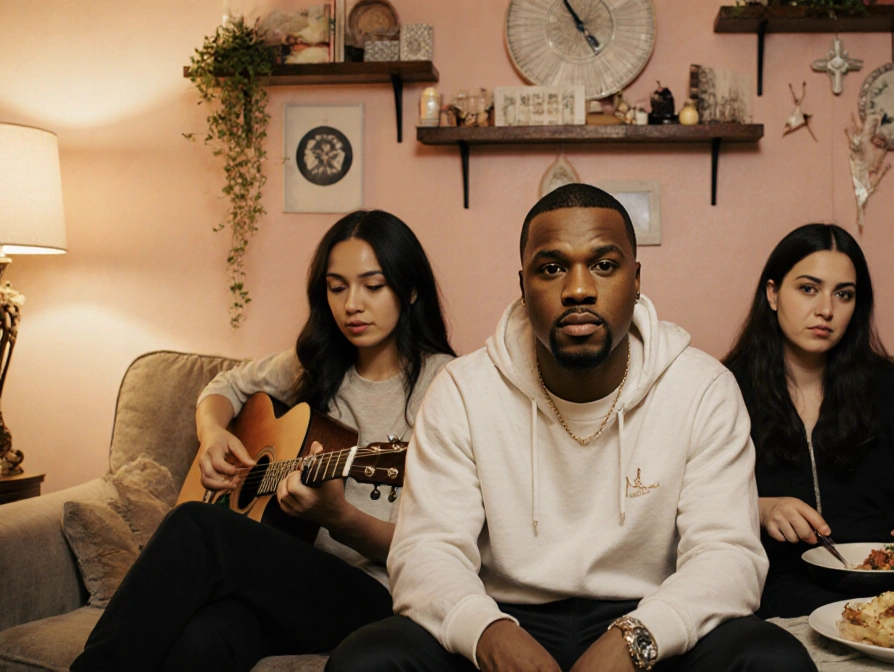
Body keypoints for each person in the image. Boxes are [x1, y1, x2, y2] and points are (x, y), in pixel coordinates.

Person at [327, 184, 814, 672]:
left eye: (603, 265)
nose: (578, 289)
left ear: (637, 278)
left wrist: (637, 639)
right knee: (366, 661)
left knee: (772, 659)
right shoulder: (462, 391)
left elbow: (727, 556)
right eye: (552, 267)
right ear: (522, 285)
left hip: (650, 616)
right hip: (502, 615)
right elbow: (426, 552)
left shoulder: (702, 387)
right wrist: (489, 636)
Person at [72, 210, 456, 671]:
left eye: (373, 286)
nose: (352, 304)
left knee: (197, 525)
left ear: (410, 289)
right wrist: (213, 434)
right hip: (281, 581)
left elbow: (439, 546)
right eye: (337, 287)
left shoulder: (447, 386)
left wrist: (339, 517)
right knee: (200, 640)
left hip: (376, 596)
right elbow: (224, 387)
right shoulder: (315, 362)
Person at [722, 223, 894, 618]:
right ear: (772, 293)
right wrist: (761, 508)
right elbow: (688, 507)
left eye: (844, 294)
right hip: (784, 580)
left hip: (891, 578)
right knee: (828, 617)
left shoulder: (888, 386)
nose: (826, 310)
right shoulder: (724, 389)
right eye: (807, 288)